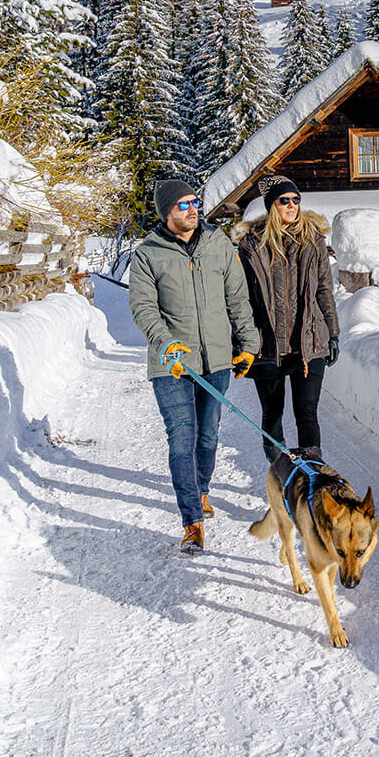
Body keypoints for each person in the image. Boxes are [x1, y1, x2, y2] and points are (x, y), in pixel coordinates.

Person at [129, 179, 260, 553]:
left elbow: (237, 298)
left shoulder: (218, 244)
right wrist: (165, 342)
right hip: (172, 363)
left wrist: (248, 344)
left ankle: (201, 488)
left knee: (208, 435)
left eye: (195, 202)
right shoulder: (148, 253)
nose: (192, 209)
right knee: (181, 438)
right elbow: (142, 307)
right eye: (183, 204)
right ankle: (192, 522)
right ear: (167, 212)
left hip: (215, 358)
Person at [233, 175, 340, 464]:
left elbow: (324, 290)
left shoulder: (313, 240)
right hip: (267, 345)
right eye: (284, 200)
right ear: (272, 206)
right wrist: (241, 341)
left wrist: (333, 334)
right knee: (272, 414)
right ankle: (281, 473)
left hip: (309, 342)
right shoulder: (252, 245)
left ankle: (313, 476)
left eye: (296, 200)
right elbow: (241, 298)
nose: (292, 205)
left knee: (307, 413)